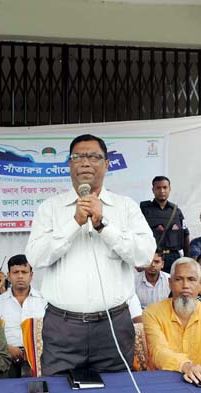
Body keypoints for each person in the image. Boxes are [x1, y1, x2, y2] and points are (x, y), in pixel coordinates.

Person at [26, 134, 155, 376]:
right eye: (78, 157)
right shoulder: (50, 208)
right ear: (69, 165)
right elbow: (36, 258)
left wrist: (104, 225)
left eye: (94, 157)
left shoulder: (125, 207)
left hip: (113, 326)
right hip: (62, 328)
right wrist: (74, 223)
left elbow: (145, 256)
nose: (85, 162)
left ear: (107, 164)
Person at [0, 255, 47, 377]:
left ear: (31, 275)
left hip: (40, 358)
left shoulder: (44, 301)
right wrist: (7, 348)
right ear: (8, 276)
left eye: (24, 272)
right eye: (15, 272)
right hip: (6, 357)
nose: (20, 276)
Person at [140, 176, 189, 273]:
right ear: (153, 190)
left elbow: (186, 236)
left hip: (173, 259)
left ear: (169, 189)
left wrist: (187, 260)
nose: (162, 191)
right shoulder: (144, 210)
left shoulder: (176, 211)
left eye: (165, 187)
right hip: (153, 259)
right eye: (158, 188)